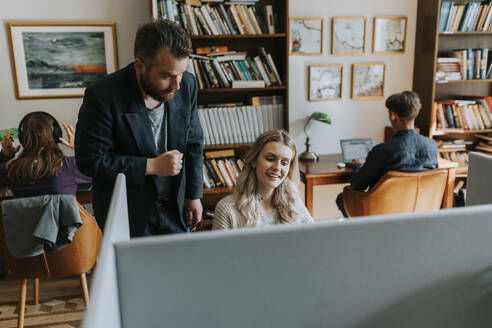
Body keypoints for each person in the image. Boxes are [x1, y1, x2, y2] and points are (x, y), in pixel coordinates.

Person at [75, 20, 203, 237]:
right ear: (140, 66)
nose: (177, 85)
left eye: (181, 72)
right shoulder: (103, 96)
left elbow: (193, 143)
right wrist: (150, 165)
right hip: (128, 214)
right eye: (167, 76)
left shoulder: (187, 85)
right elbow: (91, 161)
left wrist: (194, 194)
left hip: (176, 209)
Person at [336, 91, 438, 217]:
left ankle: (363, 235)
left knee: (342, 198)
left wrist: (359, 166)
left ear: (393, 115)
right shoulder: (432, 146)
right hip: (419, 211)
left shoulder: (383, 150)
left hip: (383, 213)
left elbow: (358, 184)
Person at [213, 130, 313, 230]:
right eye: (270, 159)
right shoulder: (227, 208)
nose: (277, 167)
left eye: (284, 163)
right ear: (254, 160)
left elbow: (315, 239)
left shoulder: (293, 203)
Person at [0, 111, 91, 197]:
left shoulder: (9, 169)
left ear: (22, 138)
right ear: (56, 135)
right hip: (62, 214)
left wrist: (4, 156)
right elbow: (102, 172)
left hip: (24, 214)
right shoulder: (70, 165)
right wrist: (79, 148)